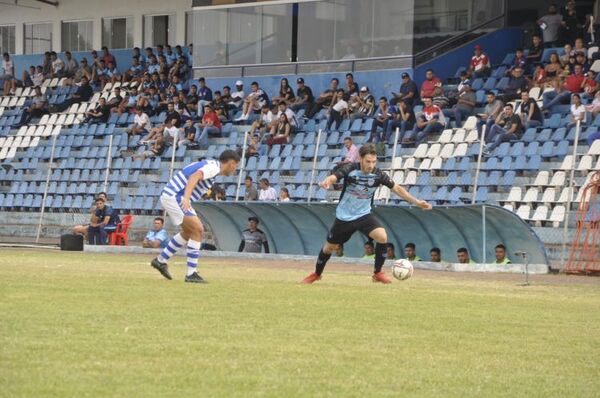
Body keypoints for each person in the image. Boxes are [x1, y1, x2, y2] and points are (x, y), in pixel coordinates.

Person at [301, 144, 432, 284]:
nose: (371, 165)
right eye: (368, 161)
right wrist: (328, 180)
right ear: (360, 159)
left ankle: (377, 273)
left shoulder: (378, 174)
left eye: (374, 161)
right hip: (344, 217)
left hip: (363, 215)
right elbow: (336, 176)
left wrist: (417, 202)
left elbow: (397, 189)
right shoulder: (351, 169)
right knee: (329, 248)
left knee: (382, 236)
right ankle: (316, 274)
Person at [150, 150, 241, 283]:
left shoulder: (209, 164)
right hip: (176, 196)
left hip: (172, 195)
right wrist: (186, 198)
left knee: (188, 232)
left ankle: (160, 261)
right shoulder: (214, 168)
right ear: (230, 163)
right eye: (235, 165)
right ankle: (191, 274)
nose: (235, 169)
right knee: (198, 230)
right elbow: (194, 177)